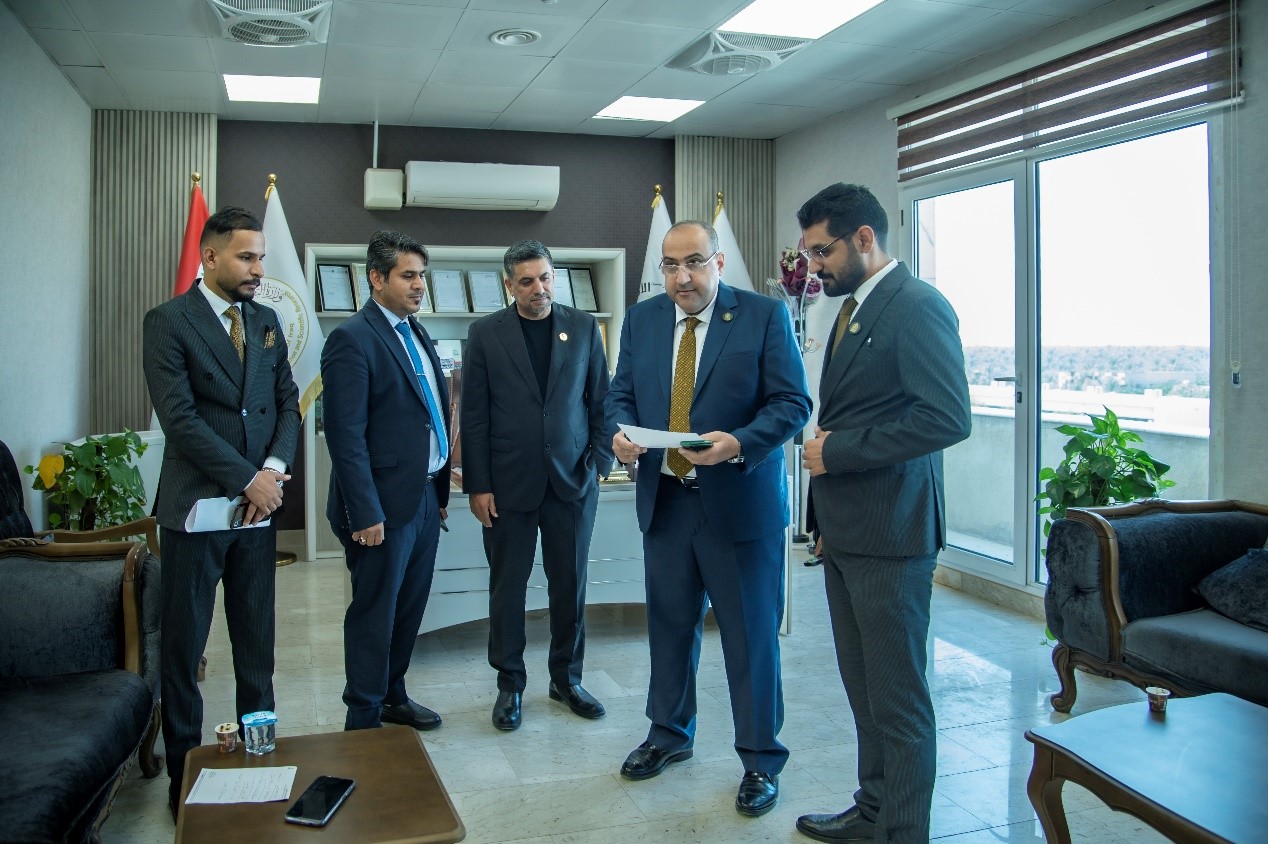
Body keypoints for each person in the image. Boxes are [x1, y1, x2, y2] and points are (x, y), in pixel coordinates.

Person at [606, 220, 811, 818]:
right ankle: (668, 734)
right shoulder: (642, 320)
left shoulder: (763, 316)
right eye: (670, 265)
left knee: (750, 639)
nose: (682, 277)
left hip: (739, 505)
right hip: (666, 503)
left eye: (694, 262)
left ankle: (761, 760)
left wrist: (739, 443)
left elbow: (793, 403)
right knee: (669, 627)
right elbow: (621, 394)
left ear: (718, 262)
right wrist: (619, 433)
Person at [794, 183, 971, 844]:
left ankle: (902, 831)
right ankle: (873, 812)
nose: (814, 267)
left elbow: (947, 418)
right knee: (865, 692)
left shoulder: (917, 306)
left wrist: (838, 453)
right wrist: (824, 517)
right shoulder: (852, 309)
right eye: (810, 254)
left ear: (864, 238)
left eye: (822, 252)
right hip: (848, 533)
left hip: (893, 534)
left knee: (898, 700)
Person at [142, 205, 301, 817]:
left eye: (261, 257)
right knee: (184, 648)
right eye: (246, 257)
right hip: (195, 513)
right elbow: (180, 421)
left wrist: (273, 472)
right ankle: (183, 772)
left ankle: (259, 756)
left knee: (256, 644)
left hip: (256, 515)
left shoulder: (265, 321)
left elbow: (287, 403)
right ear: (209, 256)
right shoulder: (168, 321)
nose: (258, 268)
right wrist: (247, 480)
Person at [460, 239, 614, 731]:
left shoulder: (583, 327)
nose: (539, 289)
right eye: (526, 281)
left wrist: (600, 463)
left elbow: (601, 402)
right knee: (508, 589)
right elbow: (474, 415)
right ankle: (510, 684)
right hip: (508, 486)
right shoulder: (486, 334)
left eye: (545, 278)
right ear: (510, 285)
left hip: (573, 482)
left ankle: (566, 679)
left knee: (570, 585)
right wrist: (478, 486)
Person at [322, 230, 451, 732]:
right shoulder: (352, 338)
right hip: (379, 507)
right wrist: (365, 511)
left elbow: (425, 415)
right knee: (375, 613)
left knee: (409, 608)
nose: (420, 285)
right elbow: (345, 436)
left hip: (424, 496)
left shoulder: (415, 332)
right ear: (376, 278)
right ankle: (363, 716)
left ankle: (393, 695)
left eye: (422, 275)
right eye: (408, 275)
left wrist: (437, 486)